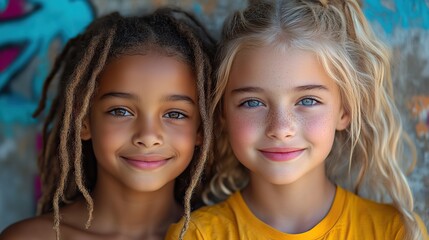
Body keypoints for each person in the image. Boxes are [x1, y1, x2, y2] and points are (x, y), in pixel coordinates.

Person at [167, 0, 428, 239]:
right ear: (222, 112)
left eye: (307, 101)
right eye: (252, 102)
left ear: (344, 110)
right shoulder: (197, 235)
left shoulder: (395, 231)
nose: (280, 129)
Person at [0, 7, 214, 240]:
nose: (148, 135)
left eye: (175, 114)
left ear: (201, 129)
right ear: (83, 121)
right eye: (120, 111)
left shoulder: (223, 235)